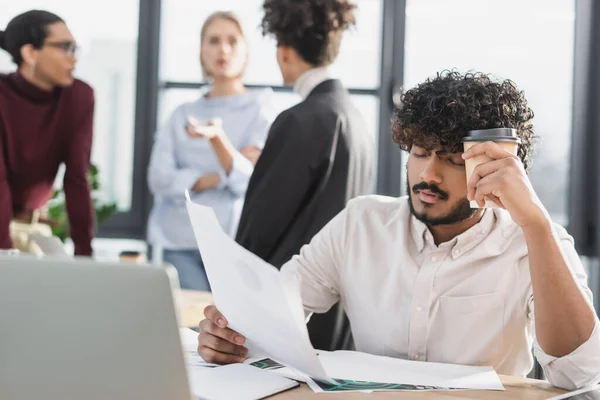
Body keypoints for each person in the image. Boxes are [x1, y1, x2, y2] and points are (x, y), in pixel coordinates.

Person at [197, 71, 600, 390]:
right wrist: (231, 336)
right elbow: (277, 312)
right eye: (419, 153)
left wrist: (535, 224)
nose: (428, 174)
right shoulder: (362, 224)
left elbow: (580, 374)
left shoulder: (533, 241)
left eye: (452, 160)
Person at [235, 0, 374, 350]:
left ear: (284, 52)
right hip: (341, 317)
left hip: (288, 314)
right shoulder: (357, 121)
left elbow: (259, 229)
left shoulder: (300, 120)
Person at [147, 11, 276, 291]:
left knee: (228, 330)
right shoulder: (182, 114)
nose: (223, 49)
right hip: (177, 241)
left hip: (232, 245)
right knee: (189, 327)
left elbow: (250, 182)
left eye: (232, 41)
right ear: (201, 51)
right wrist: (223, 173)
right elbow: (158, 178)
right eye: (214, 41)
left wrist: (216, 142)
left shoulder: (260, 110)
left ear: (246, 51)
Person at [0, 10, 95, 256]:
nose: (74, 59)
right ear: (30, 53)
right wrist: (5, 259)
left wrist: (85, 255)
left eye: (75, 48)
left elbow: (77, 177)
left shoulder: (79, 97)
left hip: (32, 230)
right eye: (65, 47)